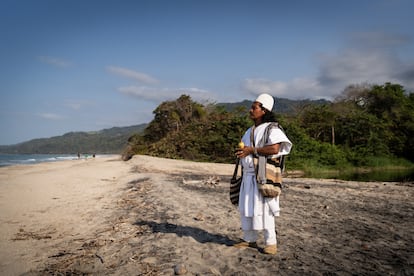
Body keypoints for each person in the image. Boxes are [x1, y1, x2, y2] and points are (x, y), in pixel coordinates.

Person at [234, 93, 292, 255]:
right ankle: (249, 239)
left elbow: (275, 149)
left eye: (254, 107)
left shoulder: (272, 128)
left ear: (264, 110)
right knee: (247, 208)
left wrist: (251, 150)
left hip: (262, 175)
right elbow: (246, 150)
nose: (251, 110)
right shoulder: (249, 131)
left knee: (265, 208)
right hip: (248, 175)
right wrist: (242, 152)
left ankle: (271, 242)